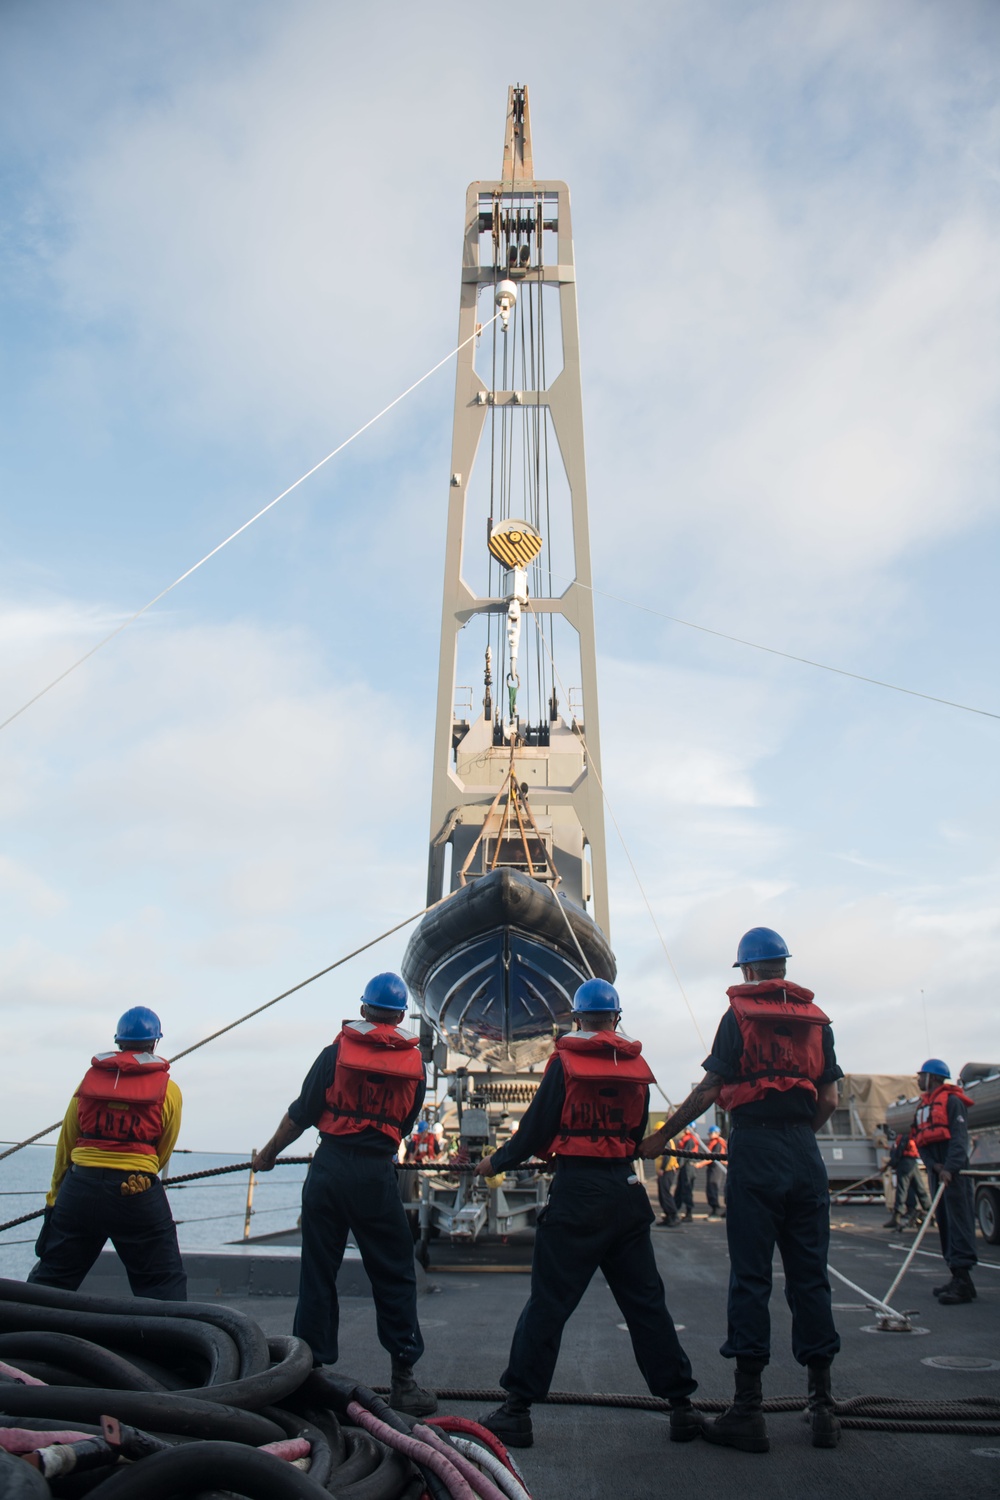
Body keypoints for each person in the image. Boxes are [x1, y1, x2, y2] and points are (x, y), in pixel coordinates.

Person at [473, 978, 701, 1449]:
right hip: (625, 1192)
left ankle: (517, 1411)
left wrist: (493, 1162)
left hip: (577, 1195)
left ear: (576, 1020)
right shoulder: (637, 1065)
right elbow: (636, 1132)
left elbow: (535, 1130)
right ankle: (682, 1408)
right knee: (646, 1305)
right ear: (617, 1019)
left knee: (549, 1304)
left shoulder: (565, 1062)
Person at [641, 926, 843, 1452]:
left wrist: (662, 1135)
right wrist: (800, 1138)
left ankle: (748, 1411)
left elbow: (710, 1088)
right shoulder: (819, 1023)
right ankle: (823, 1408)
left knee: (751, 1278)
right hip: (805, 1151)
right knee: (810, 1279)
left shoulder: (738, 1017)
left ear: (748, 971)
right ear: (783, 967)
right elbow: (830, 1099)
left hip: (755, 1150)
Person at [252, 973, 436, 1415]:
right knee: (395, 1273)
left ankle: (309, 1375)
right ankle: (404, 1382)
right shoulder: (416, 1067)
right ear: (399, 1016)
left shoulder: (335, 1053)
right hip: (375, 1173)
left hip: (330, 1169)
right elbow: (406, 1124)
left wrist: (269, 1155)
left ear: (364, 1010)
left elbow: (301, 1114)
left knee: (318, 1273)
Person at [28, 1007, 186, 1300]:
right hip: (136, 1189)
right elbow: (162, 1150)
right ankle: (169, 1344)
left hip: (79, 1190)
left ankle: (20, 1339)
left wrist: (54, 1199)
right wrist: (140, 1178)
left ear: (118, 1042)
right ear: (155, 1043)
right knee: (163, 1285)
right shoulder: (169, 1090)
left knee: (50, 1282)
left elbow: (67, 1144)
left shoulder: (87, 1084)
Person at [912, 1060, 977, 1304]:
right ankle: (958, 1277)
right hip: (937, 1171)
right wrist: (933, 1166)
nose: (918, 1080)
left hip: (954, 1174)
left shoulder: (953, 1102)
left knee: (960, 1221)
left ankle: (963, 1278)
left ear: (934, 1078)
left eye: (922, 1076)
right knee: (945, 1223)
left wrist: (949, 1169)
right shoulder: (923, 1106)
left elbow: (960, 1141)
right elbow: (919, 1139)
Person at [883, 1128, 930, 1231]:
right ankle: (929, 1211)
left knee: (902, 1190)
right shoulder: (909, 1136)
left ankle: (897, 1217)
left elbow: (898, 1153)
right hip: (913, 1164)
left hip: (905, 1164)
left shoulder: (904, 1137)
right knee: (919, 1188)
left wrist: (889, 1165)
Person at [673, 1124, 702, 1222]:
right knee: (680, 1189)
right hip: (685, 1166)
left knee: (687, 1189)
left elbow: (685, 1154)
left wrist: (678, 1165)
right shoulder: (686, 1138)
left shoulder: (690, 1140)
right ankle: (674, 1212)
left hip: (688, 1167)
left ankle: (689, 1213)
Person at [705, 1125, 727, 1219]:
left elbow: (715, 1157)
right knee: (710, 1188)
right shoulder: (713, 1142)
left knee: (713, 1187)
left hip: (717, 1168)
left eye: (711, 1133)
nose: (709, 1135)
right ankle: (715, 1209)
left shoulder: (718, 1143)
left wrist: (700, 1164)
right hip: (712, 1168)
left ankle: (716, 1210)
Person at [656, 1138, 680, 1226]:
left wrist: (662, 1168)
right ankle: (668, 1215)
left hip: (667, 1171)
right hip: (665, 1171)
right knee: (662, 1194)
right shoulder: (665, 1141)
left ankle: (674, 1215)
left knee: (665, 1193)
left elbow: (667, 1155)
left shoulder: (666, 1141)